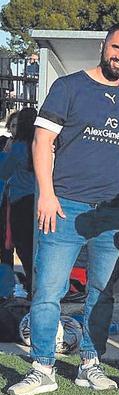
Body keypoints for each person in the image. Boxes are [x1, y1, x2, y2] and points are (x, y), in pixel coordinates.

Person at [6, 23, 119, 395]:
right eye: (117, 48)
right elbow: (42, 140)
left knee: (102, 292)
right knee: (48, 290)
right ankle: (43, 366)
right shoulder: (68, 87)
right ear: (103, 46)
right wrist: (46, 195)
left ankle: (90, 363)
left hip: (113, 212)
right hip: (63, 206)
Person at [0, 107, 37, 295]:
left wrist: (6, 152)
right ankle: (33, 285)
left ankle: (30, 285)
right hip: (36, 200)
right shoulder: (38, 145)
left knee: (21, 246)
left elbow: (5, 171)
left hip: (19, 200)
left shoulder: (18, 146)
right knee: (34, 247)